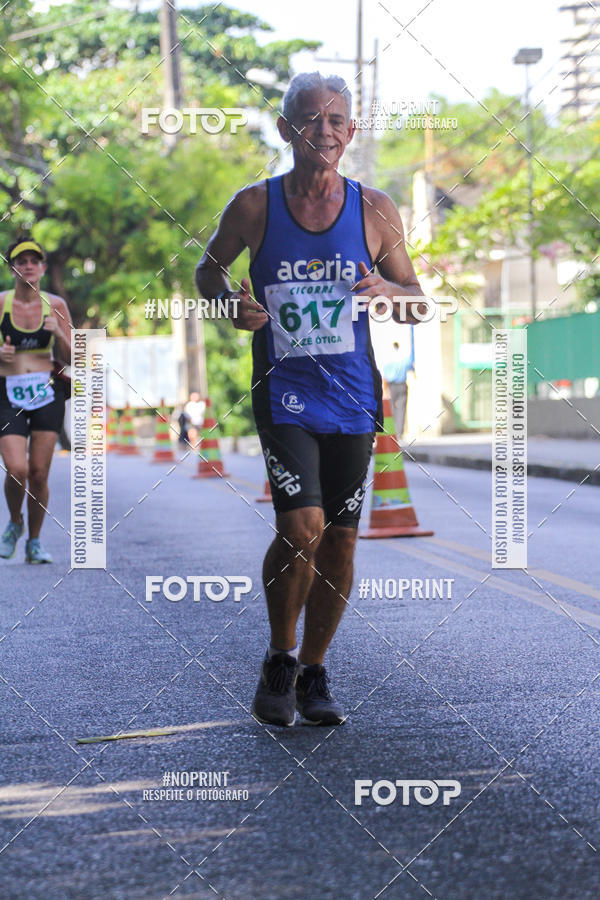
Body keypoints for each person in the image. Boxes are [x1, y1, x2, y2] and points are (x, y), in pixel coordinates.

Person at [196, 72, 426, 727]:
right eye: (307, 120)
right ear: (285, 129)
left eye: (334, 121)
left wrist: (388, 294)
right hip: (285, 394)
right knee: (302, 528)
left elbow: (418, 301)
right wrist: (228, 305)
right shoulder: (254, 206)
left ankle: (315, 670)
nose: (321, 132)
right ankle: (279, 654)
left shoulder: (376, 209)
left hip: (354, 398)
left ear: (350, 132)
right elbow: (208, 269)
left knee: (341, 546)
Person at [0, 238, 73, 563]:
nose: (28, 265)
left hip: (46, 392)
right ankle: (15, 522)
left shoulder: (55, 304)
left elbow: (75, 357)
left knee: (39, 473)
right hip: (8, 391)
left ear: (43, 267)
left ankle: (34, 541)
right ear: (12, 268)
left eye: (34, 260)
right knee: (17, 469)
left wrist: (59, 333)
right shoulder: (0, 303)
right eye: (21, 260)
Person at [383, 335, 414, 439]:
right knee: (401, 409)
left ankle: (392, 433)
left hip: (391, 386)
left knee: (391, 409)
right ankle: (399, 433)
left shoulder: (388, 359)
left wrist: (385, 389)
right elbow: (411, 368)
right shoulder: (404, 358)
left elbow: (385, 376)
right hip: (402, 385)